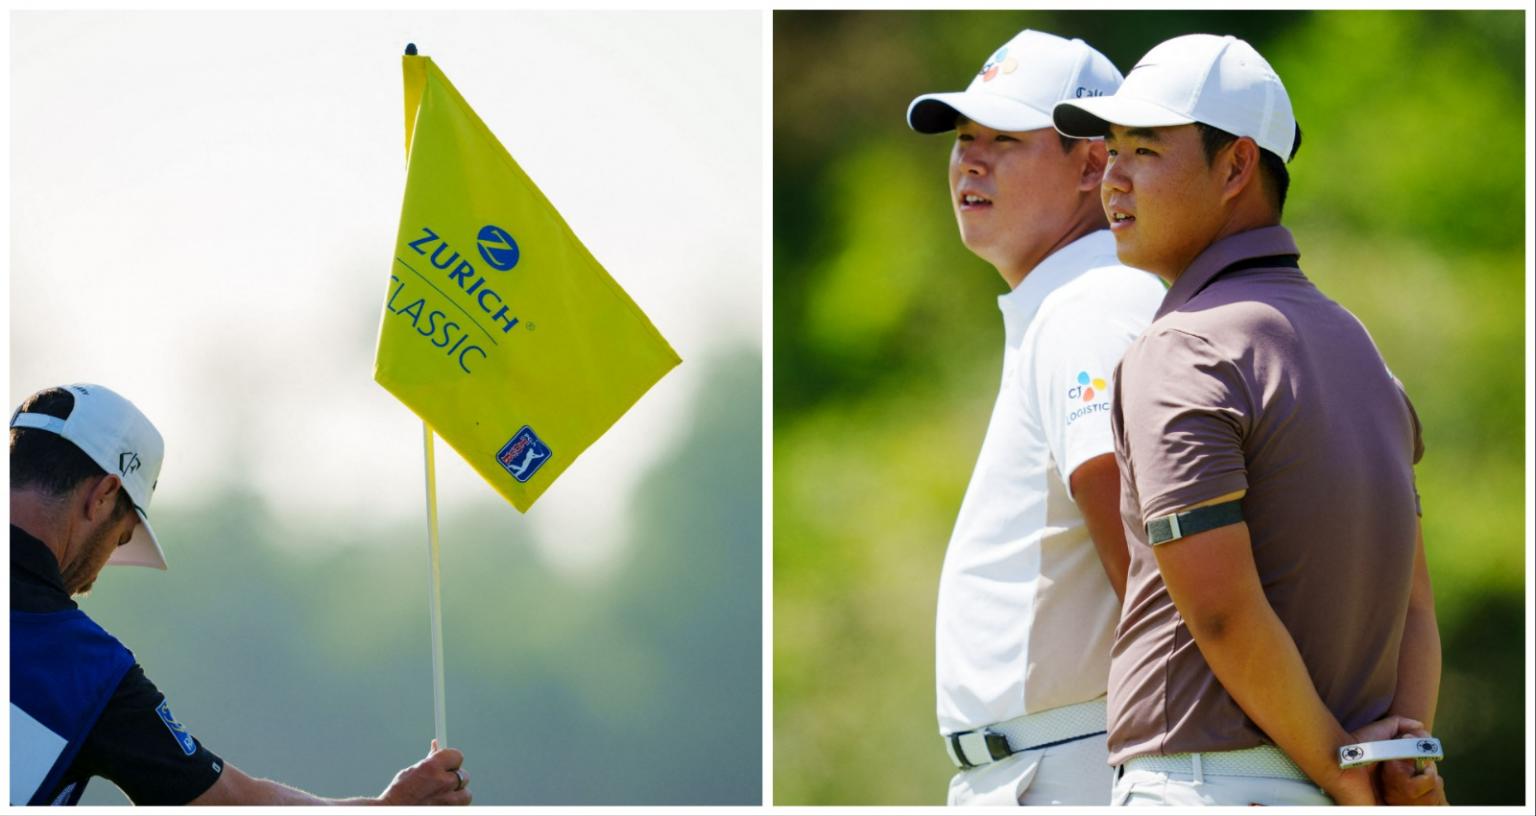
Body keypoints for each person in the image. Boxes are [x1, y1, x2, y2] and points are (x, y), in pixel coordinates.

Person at [1052, 34, 1446, 806]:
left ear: (1235, 166)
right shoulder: (1360, 348)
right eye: (1111, 149)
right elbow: (1415, 605)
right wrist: (1394, 763)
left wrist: (1341, 769)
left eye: (1144, 150)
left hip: (1206, 786)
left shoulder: (1181, 349)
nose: (1113, 176)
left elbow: (1225, 613)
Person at [906, 29, 1166, 805]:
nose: (969, 161)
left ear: (1092, 164)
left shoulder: (1090, 306)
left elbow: (1145, 547)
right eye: (963, 139)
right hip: (1042, 762)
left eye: (1004, 140)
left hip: (1070, 766)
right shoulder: (1070, 302)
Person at [10, 383, 473, 806]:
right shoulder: (89, 671)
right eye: (121, 538)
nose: (94, 578)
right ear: (103, 496)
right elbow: (237, 804)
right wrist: (390, 810)